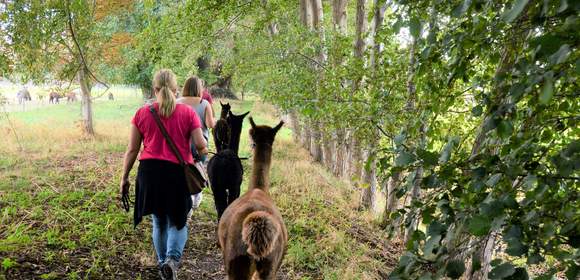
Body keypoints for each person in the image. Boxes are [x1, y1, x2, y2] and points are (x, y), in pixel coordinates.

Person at [119, 69, 207, 280]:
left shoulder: (142, 113)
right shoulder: (188, 113)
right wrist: (202, 154)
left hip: (149, 173)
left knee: (159, 221)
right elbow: (200, 145)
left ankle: (162, 266)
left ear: (154, 89)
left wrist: (124, 178)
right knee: (178, 221)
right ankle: (171, 261)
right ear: (176, 90)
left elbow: (132, 150)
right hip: (176, 174)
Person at [177, 76, 216, 209]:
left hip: (179, 145)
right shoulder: (204, 103)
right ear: (199, 89)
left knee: (181, 168)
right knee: (197, 165)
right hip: (199, 146)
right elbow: (210, 124)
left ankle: (184, 194)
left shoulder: (176, 102)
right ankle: (196, 193)